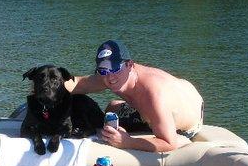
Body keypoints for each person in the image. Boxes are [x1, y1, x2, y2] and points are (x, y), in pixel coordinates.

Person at [65, 40, 203, 152]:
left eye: (115, 68)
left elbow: (169, 143)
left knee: (111, 129)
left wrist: (127, 142)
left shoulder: (152, 94)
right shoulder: (112, 76)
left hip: (188, 123)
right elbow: (78, 84)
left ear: (130, 64)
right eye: (103, 70)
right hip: (185, 93)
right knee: (112, 108)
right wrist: (46, 84)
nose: (110, 76)